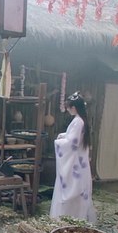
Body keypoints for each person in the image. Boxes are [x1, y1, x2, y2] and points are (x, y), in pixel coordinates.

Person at [50, 92, 97, 224]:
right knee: (77, 189)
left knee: (72, 189)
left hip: (74, 163)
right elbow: (74, 137)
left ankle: (69, 218)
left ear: (74, 107)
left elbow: (72, 143)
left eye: (69, 107)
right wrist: (64, 135)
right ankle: (75, 217)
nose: (68, 109)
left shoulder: (78, 121)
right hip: (79, 163)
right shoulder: (81, 120)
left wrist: (57, 142)